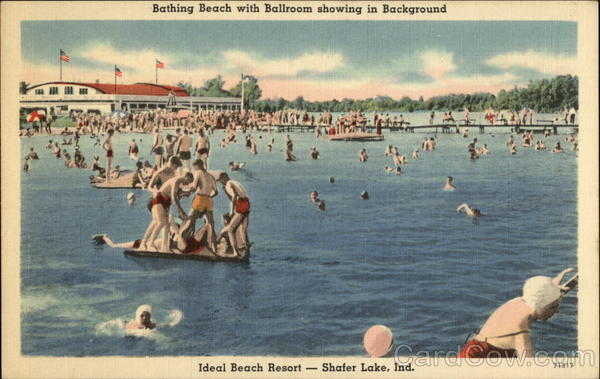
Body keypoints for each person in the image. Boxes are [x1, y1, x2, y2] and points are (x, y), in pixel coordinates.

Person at [459, 269, 575, 358]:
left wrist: (554, 285)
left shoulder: (522, 300)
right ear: (542, 306)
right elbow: (529, 371)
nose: (557, 311)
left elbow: (544, 294)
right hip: (481, 359)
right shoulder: (521, 334)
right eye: (554, 307)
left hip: (473, 349)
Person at [140, 171, 193, 252]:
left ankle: (157, 246)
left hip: (165, 203)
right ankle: (150, 244)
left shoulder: (178, 183)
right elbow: (173, 197)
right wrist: (180, 210)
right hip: (159, 200)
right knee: (160, 223)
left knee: (163, 224)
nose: (187, 184)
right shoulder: (176, 181)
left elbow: (174, 196)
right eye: (188, 182)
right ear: (186, 177)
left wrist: (185, 194)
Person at [179, 159, 218, 251]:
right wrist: (208, 196)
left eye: (194, 167)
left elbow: (193, 188)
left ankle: (181, 241)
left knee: (189, 220)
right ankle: (214, 248)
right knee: (211, 224)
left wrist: (183, 192)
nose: (194, 169)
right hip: (209, 200)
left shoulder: (198, 172)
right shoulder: (211, 176)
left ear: (197, 166)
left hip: (200, 199)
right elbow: (216, 192)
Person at [217, 173, 250, 257]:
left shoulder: (229, 183)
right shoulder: (234, 182)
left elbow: (234, 196)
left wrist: (231, 211)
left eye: (221, 181)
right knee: (243, 228)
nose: (221, 183)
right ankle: (245, 246)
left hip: (241, 204)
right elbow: (233, 198)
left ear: (224, 178)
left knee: (230, 229)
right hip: (246, 203)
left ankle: (235, 252)